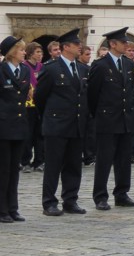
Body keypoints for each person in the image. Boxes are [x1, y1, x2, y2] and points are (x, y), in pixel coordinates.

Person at [35, 28, 90, 216]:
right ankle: (49, 202)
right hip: (56, 125)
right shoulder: (51, 69)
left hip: (76, 125)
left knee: (74, 165)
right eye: (76, 44)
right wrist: (51, 117)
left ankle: (70, 200)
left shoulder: (82, 68)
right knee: (53, 166)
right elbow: (40, 98)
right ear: (65, 47)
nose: (79, 47)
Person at [87, 27, 134, 210]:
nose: (126, 45)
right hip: (107, 120)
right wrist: (99, 115)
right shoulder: (100, 66)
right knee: (104, 160)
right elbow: (92, 95)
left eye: (126, 42)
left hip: (125, 119)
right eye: (123, 42)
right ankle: (100, 196)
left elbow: (131, 91)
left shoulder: (128, 64)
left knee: (124, 159)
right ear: (112, 44)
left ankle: (122, 193)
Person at [0, 37, 30, 222]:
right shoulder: (1, 70)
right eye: (21, 50)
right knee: (3, 169)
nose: (24, 53)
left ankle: (13, 207)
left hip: (19, 125)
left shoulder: (24, 70)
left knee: (14, 169)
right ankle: (2, 209)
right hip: (3, 125)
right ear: (12, 52)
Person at [20, 42, 44, 173]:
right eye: (37, 52)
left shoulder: (42, 67)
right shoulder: (24, 66)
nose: (40, 55)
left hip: (39, 104)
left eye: (41, 52)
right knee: (28, 134)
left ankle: (39, 161)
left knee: (39, 134)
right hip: (28, 104)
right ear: (30, 53)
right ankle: (25, 161)